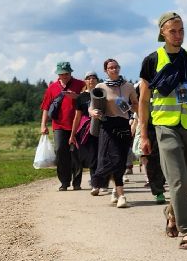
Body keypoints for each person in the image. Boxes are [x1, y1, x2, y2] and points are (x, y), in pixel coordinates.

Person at [136, 12, 187, 249]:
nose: (178, 35)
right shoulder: (152, 60)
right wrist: (144, 134)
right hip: (165, 127)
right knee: (177, 180)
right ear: (162, 32)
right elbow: (143, 101)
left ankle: (171, 212)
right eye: (173, 31)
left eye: (181, 30)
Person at [93, 58, 136, 207]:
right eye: (111, 67)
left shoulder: (128, 86)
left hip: (123, 124)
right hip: (107, 125)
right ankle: (122, 195)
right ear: (106, 70)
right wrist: (94, 112)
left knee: (121, 160)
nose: (114, 69)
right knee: (113, 158)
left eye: (116, 67)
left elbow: (136, 105)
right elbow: (91, 107)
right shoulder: (100, 86)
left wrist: (131, 108)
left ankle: (114, 190)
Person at [39, 61, 85, 191]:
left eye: (66, 73)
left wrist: (76, 96)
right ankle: (64, 182)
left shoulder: (80, 84)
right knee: (60, 151)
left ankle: (77, 182)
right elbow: (46, 107)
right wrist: (43, 125)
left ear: (70, 72)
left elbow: (87, 99)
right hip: (58, 125)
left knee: (76, 154)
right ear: (58, 74)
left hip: (77, 124)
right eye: (61, 74)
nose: (64, 76)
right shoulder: (52, 87)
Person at [74, 72, 103, 195]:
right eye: (88, 78)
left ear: (97, 80)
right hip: (87, 129)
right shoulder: (81, 97)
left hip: (102, 126)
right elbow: (77, 116)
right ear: (85, 81)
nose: (91, 80)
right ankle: (95, 182)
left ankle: (102, 181)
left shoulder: (102, 93)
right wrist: (73, 133)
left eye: (94, 78)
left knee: (102, 154)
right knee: (92, 155)